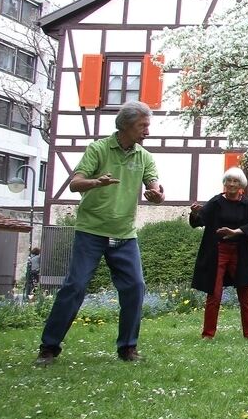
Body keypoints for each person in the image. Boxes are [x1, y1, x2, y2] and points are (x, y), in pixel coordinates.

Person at [35, 101, 164, 365]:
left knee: (135, 287)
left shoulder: (144, 157)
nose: (147, 131)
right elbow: (75, 184)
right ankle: (49, 347)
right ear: (125, 125)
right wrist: (96, 182)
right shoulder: (98, 149)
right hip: (91, 231)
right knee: (75, 286)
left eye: (148, 126)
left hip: (125, 235)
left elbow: (155, 187)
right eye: (142, 126)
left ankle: (128, 348)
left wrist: (157, 195)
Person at [190, 167, 248, 340]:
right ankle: (208, 334)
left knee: (245, 293)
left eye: (235, 181)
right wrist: (194, 214)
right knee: (214, 294)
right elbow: (198, 222)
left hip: (240, 253)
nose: (231, 184)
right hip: (217, 252)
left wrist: (236, 232)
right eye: (228, 181)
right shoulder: (216, 202)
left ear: (241, 185)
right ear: (225, 183)